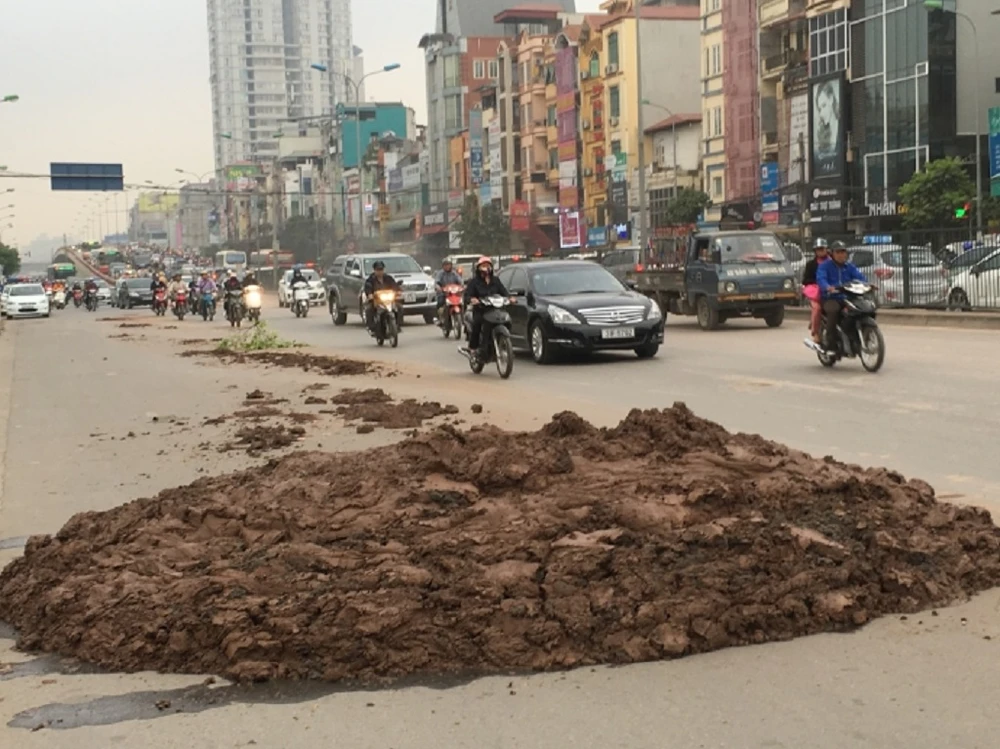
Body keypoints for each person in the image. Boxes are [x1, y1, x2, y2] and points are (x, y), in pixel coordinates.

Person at [817, 242, 867, 352]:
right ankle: (830, 344)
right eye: (838, 252)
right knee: (833, 311)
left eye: (843, 252)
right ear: (832, 254)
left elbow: (860, 278)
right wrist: (827, 287)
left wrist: (868, 285)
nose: (841, 255)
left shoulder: (850, 267)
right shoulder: (825, 266)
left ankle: (858, 334)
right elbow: (821, 279)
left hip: (848, 297)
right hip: (831, 298)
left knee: (863, 309)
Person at [462, 256, 515, 354]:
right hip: (481, 310)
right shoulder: (474, 282)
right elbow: (467, 295)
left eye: (488, 265)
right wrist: (473, 299)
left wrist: (509, 298)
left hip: (496, 310)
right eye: (483, 266)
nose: (486, 268)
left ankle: (502, 342)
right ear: (478, 268)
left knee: (507, 320)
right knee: (477, 324)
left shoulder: (495, 280)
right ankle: (473, 347)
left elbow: (503, 291)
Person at [802, 239, 829, 344]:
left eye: (822, 249)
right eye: (818, 249)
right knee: (817, 309)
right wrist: (818, 283)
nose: (820, 251)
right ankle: (816, 332)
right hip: (816, 294)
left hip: (832, 291)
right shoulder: (811, 265)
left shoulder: (833, 262)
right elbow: (805, 280)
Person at [363, 260, 400, 333]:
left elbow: (394, 286)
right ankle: (372, 328)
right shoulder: (371, 279)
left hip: (389, 300)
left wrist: (397, 291)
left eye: (381, 269)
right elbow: (368, 287)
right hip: (377, 301)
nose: (380, 271)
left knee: (400, 308)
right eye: (378, 270)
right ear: (374, 270)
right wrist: (370, 294)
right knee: (369, 310)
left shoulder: (388, 278)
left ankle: (397, 325)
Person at [434, 259, 464, 324]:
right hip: (444, 294)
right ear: (443, 266)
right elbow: (436, 282)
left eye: (449, 265)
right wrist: (438, 287)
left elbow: (460, 281)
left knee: (463, 302)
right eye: (446, 265)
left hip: (454, 294)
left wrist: (462, 286)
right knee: (440, 302)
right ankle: (439, 318)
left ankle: (463, 318)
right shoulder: (440, 273)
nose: (447, 266)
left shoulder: (454, 273)